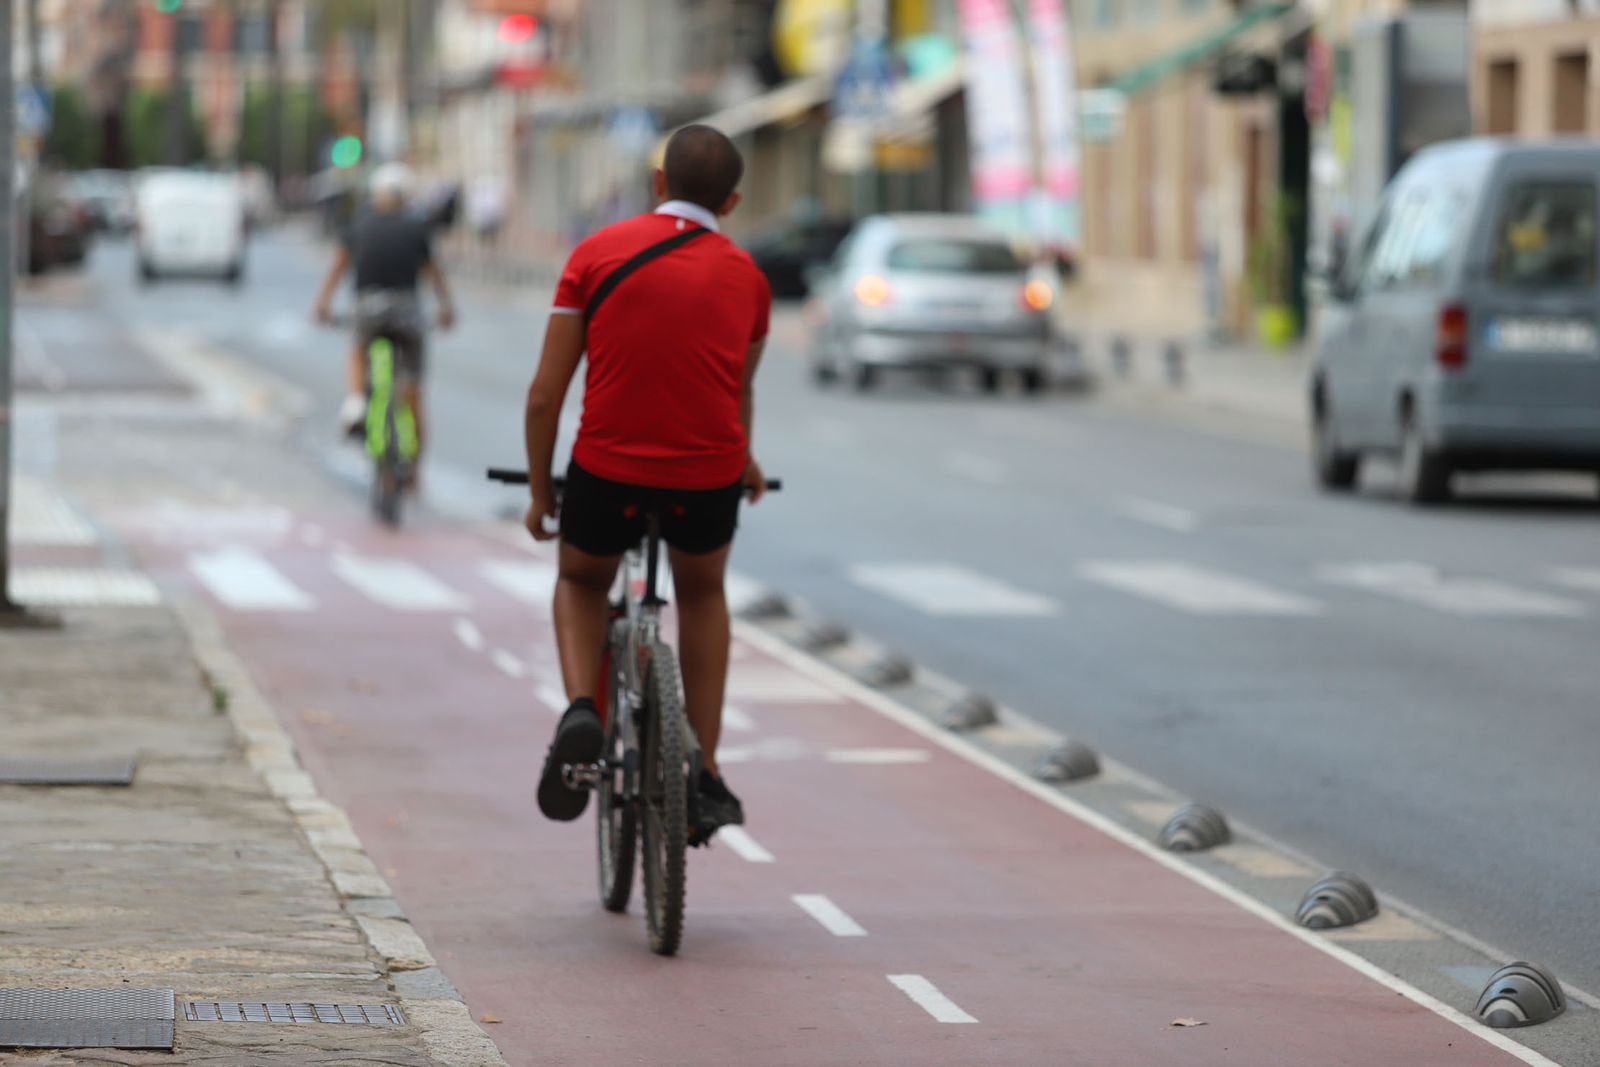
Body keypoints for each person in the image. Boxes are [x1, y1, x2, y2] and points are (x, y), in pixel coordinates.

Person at [521, 125, 771, 837]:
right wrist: (746, 456)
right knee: (701, 591)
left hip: (608, 471)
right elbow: (735, 389)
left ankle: (580, 710)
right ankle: (707, 768)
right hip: (707, 476)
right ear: (733, 200)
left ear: (658, 183)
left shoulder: (595, 255)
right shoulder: (750, 279)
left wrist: (543, 492)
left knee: (580, 579)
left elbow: (545, 395)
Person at [312, 163, 457, 467]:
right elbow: (434, 275)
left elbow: (338, 267)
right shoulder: (417, 228)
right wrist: (446, 310)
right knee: (413, 390)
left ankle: (355, 403)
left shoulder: (359, 225)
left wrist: (322, 305)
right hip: (407, 312)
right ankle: (414, 472)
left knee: (357, 349)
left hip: (367, 309)